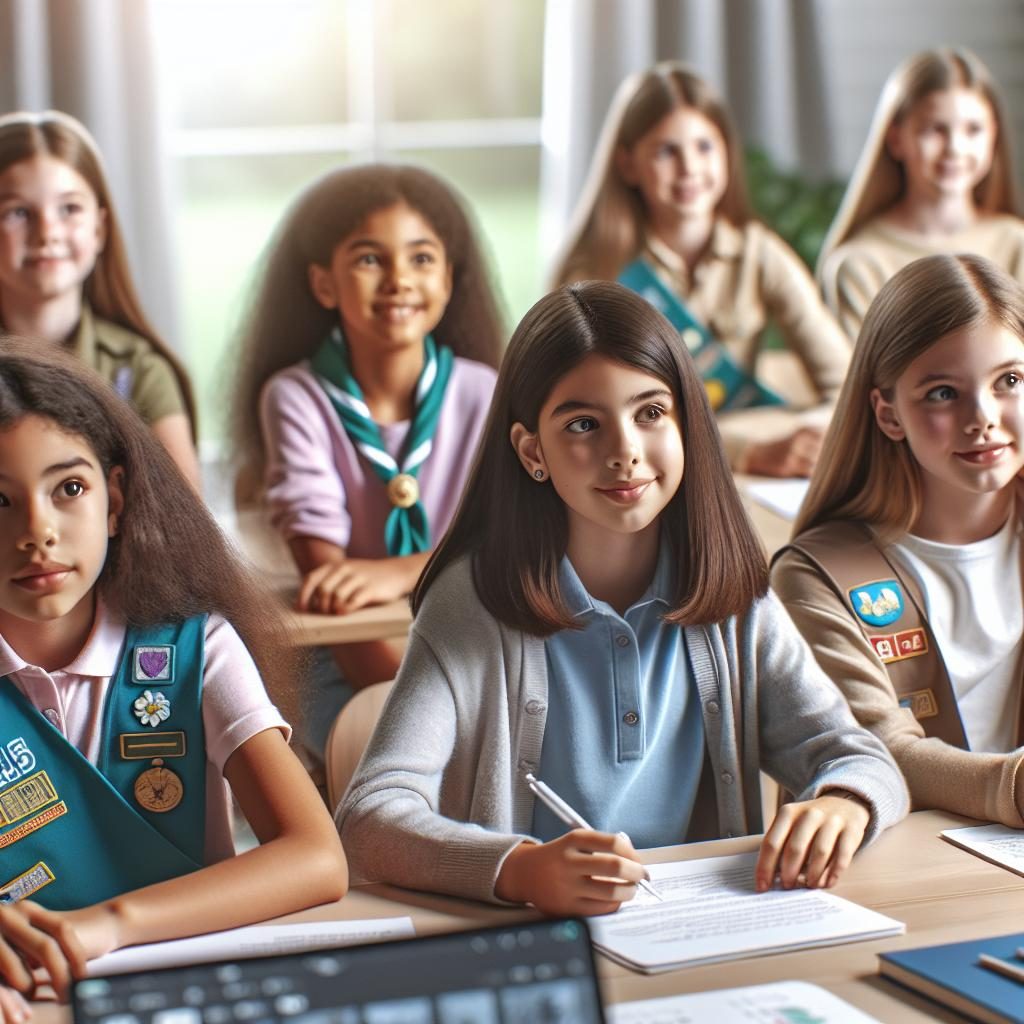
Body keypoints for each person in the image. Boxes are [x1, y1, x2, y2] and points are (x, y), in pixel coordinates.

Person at [336, 281, 907, 915]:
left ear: (687, 423)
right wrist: (519, 869)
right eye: (584, 424)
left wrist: (843, 801)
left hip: (702, 934)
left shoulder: (732, 598)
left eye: (651, 413)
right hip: (544, 937)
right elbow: (370, 816)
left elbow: (859, 756)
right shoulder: (473, 604)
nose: (625, 453)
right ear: (533, 453)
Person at [0, 340, 347, 1022]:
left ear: (116, 499)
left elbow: (317, 858)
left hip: (187, 993)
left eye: (69, 489)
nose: (37, 533)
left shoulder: (196, 648)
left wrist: (111, 923)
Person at [231, 164, 503, 758]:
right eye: (369, 259)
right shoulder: (295, 397)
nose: (399, 279)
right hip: (349, 657)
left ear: (450, 279)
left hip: (480, 641)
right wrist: (427, 700)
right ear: (324, 284)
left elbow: (513, 542)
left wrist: (402, 570)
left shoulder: (486, 391)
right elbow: (332, 592)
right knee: (379, 747)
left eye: (421, 258)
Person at [773, 254, 1024, 827]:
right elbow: (875, 748)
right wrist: (1014, 786)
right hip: (904, 867)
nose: (982, 417)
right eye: (941, 393)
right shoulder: (817, 573)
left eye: (1009, 380)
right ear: (889, 415)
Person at [551, 63, 850, 478]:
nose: (690, 167)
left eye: (705, 147)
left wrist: (807, 438)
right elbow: (590, 420)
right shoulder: (595, 272)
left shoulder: (758, 253)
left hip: (739, 483)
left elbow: (847, 385)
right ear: (628, 165)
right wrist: (746, 447)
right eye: (666, 152)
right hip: (629, 477)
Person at [0, 111, 200, 487]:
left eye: (69, 209)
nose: (47, 232)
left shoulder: (140, 372)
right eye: (18, 213)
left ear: (99, 229)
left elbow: (182, 520)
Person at [818, 48, 1024, 342]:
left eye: (973, 129)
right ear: (896, 139)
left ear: (994, 135)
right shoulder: (859, 264)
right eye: (935, 129)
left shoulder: (1017, 243)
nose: (955, 147)